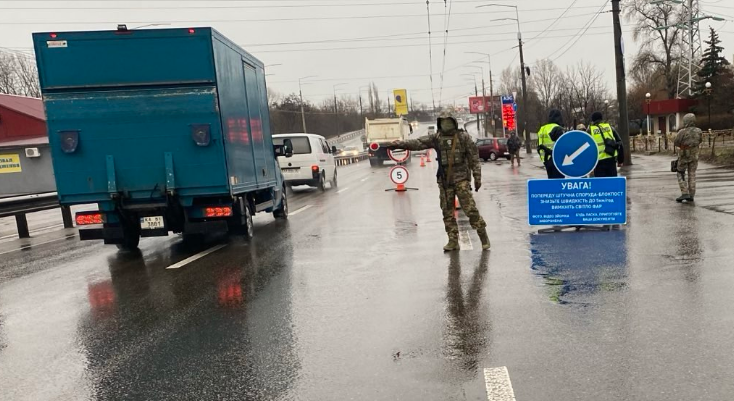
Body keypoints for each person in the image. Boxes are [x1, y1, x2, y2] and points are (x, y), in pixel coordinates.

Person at [388, 111, 489, 252]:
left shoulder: (463, 137)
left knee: (470, 210)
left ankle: (483, 237)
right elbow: (417, 143)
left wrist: (477, 178)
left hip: (461, 180)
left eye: (448, 121)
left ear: (453, 122)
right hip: (445, 181)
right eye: (443, 121)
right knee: (447, 212)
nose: (446, 124)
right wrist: (399, 144)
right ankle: (453, 241)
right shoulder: (437, 138)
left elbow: (474, 159)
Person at [674, 113, 703, 203]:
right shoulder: (699, 131)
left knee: (680, 172)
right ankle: (691, 194)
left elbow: (676, 142)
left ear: (686, 121)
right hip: (695, 155)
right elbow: (700, 140)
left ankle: (684, 192)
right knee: (692, 174)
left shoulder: (682, 132)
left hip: (684, 155)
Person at [587, 111, 624, 177]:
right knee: (612, 183)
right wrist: (620, 160)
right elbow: (619, 143)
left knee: (601, 184)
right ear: (601, 118)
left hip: (598, 161)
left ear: (593, 120)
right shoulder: (610, 127)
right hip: (611, 158)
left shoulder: (590, 130)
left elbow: (586, 147)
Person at [537, 109, 565, 179]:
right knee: (559, 184)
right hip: (556, 159)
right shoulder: (557, 128)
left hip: (546, 160)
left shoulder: (542, 128)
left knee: (551, 183)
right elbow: (562, 146)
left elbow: (539, 145)